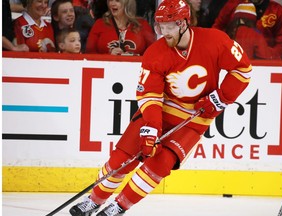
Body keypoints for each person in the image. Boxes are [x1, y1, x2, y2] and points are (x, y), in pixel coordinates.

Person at [69, 0, 252, 215]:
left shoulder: (215, 40)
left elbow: (242, 70)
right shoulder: (155, 53)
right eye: (161, 27)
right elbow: (150, 94)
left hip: (194, 120)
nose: (164, 32)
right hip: (161, 111)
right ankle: (95, 200)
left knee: (160, 164)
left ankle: (120, 206)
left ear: (184, 23)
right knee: (121, 159)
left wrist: (220, 98)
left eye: (170, 26)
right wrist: (152, 128)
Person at [212, 0, 282, 59]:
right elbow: (218, 28)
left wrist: (272, 58)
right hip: (231, 57)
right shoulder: (232, 4)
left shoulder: (278, 10)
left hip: (265, 63)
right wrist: (221, 52)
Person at [85, 0, 155, 55]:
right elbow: (89, 54)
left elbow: (153, 54)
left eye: (117, 0)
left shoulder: (142, 25)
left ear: (128, 3)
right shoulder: (100, 24)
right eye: (110, 0)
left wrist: (134, 58)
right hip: (107, 70)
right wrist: (108, 56)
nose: (112, 4)